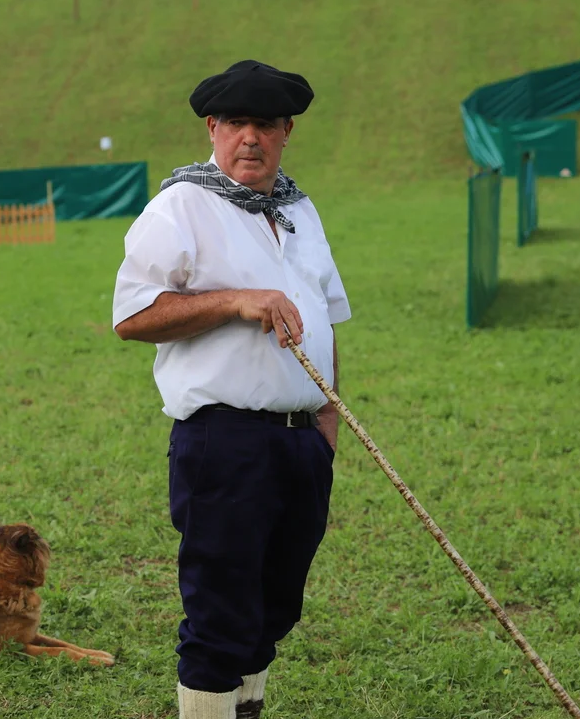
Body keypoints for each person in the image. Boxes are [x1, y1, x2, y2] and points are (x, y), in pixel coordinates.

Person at [111, 60, 352, 719]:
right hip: (225, 441)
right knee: (221, 612)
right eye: (237, 123)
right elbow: (132, 316)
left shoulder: (299, 209)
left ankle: (245, 710)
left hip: (302, 443)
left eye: (265, 124)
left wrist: (327, 424)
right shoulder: (182, 206)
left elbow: (326, 317)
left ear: (286, 131)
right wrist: (236, 301)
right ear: (212, 128)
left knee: (275, 606)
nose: (251, 137)